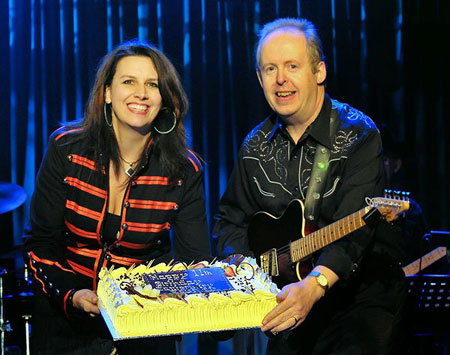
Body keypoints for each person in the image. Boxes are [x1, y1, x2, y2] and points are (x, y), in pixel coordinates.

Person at [213, 18, 406, 354]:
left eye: (292, 66)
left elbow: (354, 234)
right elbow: (231, 220)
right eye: (270, 69)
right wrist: (246, 273)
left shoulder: (359, 134)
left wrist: (314, 284)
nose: (281, 79)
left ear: (319, 72)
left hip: (359, 301)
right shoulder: (254, 145)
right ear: (259, 78)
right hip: (289, 298)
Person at [23, 40, 211, 354]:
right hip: (65, 324)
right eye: (128, 82)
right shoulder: (66, 150)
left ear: (163, 97)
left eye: (152, 84)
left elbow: (195, 265)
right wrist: (74, 294)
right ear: (108, 93)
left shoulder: (184, 170)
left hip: (143, 328)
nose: (141, 93)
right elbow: (40, 244)